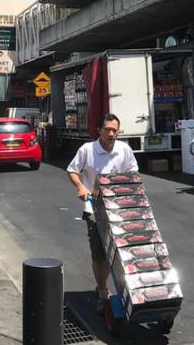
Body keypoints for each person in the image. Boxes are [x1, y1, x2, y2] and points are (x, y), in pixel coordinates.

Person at [66, 113, 139, 314]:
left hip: (119, 207)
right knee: (100, 253)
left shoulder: (124, 150)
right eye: (107, 129)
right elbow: (72, 170)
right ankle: (102, 289)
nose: (111, 134)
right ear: (99, 130)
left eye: (115, 130)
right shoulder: (87, 150)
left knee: (124, 251)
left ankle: (130, 289)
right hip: (94, 209)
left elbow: (133, 173)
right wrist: (81, 187)